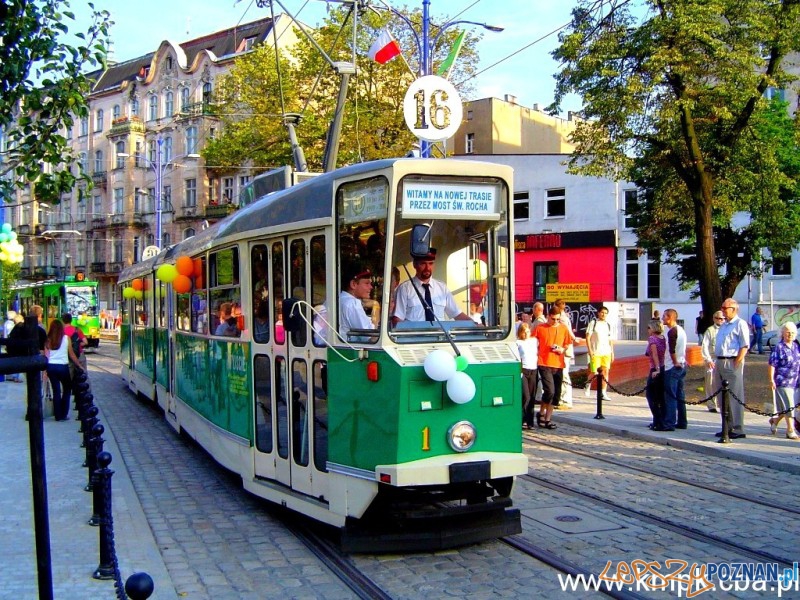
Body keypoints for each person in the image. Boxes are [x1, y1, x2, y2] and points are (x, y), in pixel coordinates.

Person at [392, 249, 471, 324]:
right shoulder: (404, 289)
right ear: (414, 264)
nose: (427, 268)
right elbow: (397, 319)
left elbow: (457, 314)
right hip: (414, 337)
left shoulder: (442, 288)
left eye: (430, 263)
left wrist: (476, 324)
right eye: (423, 263)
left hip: (440, 337)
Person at [715, 298, 750, 439]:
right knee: (721, 396)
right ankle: (726, 427)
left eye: (725, 308)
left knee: (735, 395)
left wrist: (737, 362)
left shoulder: (740, 324)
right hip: (720, 360)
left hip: (732, 361)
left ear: (733, 309)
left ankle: (737, 427)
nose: (722, 310)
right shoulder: (724, 325)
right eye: (722, 307)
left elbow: (744, 345)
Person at [533, 306, 571, 429]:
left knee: (556, 394)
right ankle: (542, 412)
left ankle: (547, 418)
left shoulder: (563, 329)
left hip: (558, 363)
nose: (555, 322)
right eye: (553, 319)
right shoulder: (540, 328)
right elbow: (532, 342)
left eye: (558, 319)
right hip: (544, 362)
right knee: (549, 390)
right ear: (548, 316)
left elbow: (567, 344)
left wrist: (562, 349)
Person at [45, 319, 84, 421]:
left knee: (56, 391)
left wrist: (44, 372)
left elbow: (46, 356)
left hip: (51, 367)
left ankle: (57, 415)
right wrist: (79, 365)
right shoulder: (66, 338)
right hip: (63, 366)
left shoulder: (48, 339)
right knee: (67, 389)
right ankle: (64, 413)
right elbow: (71, 354)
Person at [767, 322, 800, 440]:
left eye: (792, 332)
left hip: (795, 381)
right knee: (789, 404)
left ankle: (774, 421)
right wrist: (771, 380)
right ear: (783, 333)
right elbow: (772, 364)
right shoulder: (779, 347)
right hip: (783, 381)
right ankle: (790, 430)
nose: (790, 334)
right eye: (787, 332)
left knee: (787, 406)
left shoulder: (796, 347)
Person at [660, 308, 687, 431]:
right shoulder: (681, 330)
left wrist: (675, 362)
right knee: (680, 395)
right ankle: (682, 421)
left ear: (670, 317)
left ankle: (669, 422)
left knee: (670, 395)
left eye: (664, 316)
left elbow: (672, 350)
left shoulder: (672, 332)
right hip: (681, 364)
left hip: (672, 366)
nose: (662, 319)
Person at [339, 264, 376, 339]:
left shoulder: (337, 298)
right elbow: (371, 337)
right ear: (353, 284)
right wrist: (376, 306)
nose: (371, 287)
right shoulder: (353, 304)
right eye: (367, 283)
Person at [586, 305, 614, 401]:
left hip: (606, 352)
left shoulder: (608, 325)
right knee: (594, 372)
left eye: (606, 313)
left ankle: (603, 392)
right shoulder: (593, 323)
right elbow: (588, 337)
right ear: (598, 313)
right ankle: (587, 384)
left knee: (605, 372)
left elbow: (610, 339)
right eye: (602, 312)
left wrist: (612, 352)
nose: (604, 314)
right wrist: (590, 350)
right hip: (596, 351)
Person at [700, 311, 725, 413]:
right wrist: (708, 359)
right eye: (718, 318)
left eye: (722, 318)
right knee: (711, 383)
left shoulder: (726, 329)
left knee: (723, 382)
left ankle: (722, 404)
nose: (721, 320)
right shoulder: (710, 331)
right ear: (714, 319)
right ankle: (711, 404)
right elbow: (704, 346)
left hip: (723, 359)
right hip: (712, 359)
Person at [516, 322, 539, 429]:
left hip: (533, 369)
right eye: (524, 332)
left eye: (528, 331)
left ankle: (530, 421)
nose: (526, 334)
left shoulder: (534, 341)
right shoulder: (518, 343)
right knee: (526, 396)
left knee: (532, 396)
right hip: (524, 370)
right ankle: (522, 419)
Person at [645, 320, 667, 430]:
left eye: (649, 328)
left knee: (650, 395)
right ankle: (657, 420)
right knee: (659, 396)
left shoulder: (652, 339)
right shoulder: (663, 338)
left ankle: (657, 420)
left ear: (653, 329)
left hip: (655, 368)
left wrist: (657, 369)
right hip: (663, 367)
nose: (647, 330)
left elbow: (654, 354)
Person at [62, 312, 87, 381]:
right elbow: (85, 342)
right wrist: (78, 344)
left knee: (68, 377)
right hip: (79, 354)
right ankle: (87, 390)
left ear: (62, 320)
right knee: (83, 374)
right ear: (71, 320)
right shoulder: (77, 329)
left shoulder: (61, 331)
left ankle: (68, 390)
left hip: (66, 355)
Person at [3, 310, 22, 382]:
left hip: (9, 344)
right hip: (15, 345)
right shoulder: (13, 325)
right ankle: (15, 377)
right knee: (17, 359)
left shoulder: (6, 323)